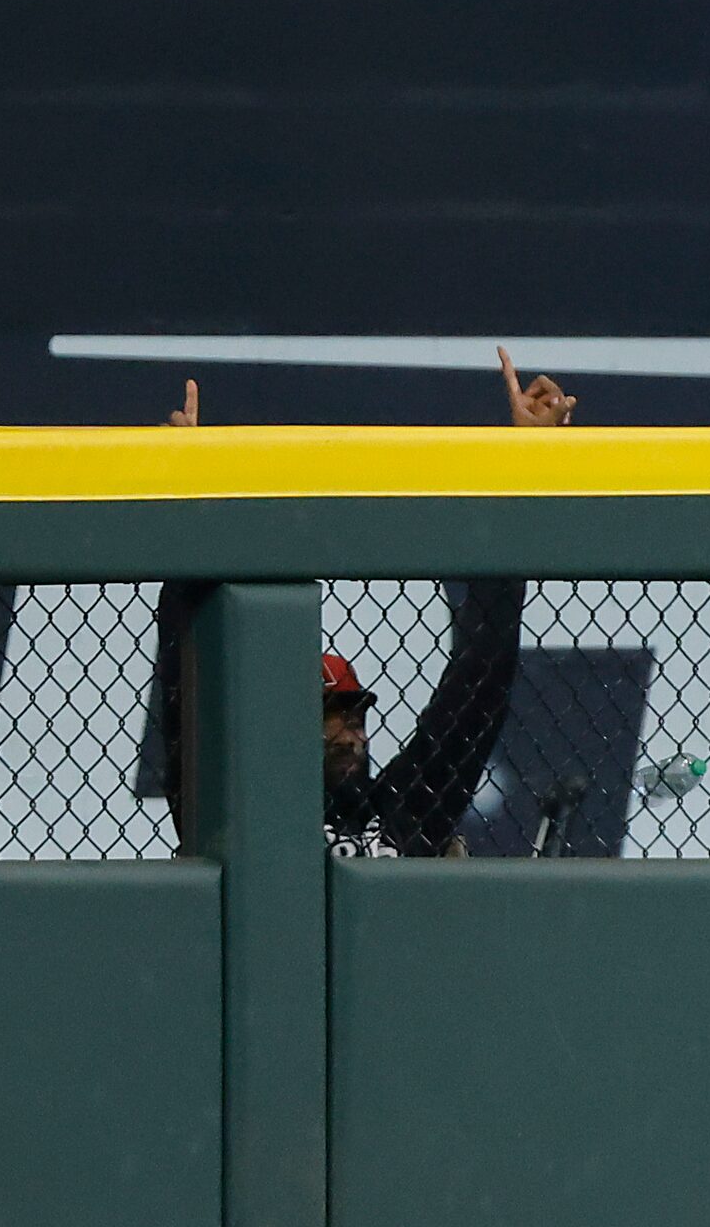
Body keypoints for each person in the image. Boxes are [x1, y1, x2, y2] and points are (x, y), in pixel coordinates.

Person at [154, 351, 574, 856]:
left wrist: (519, 467)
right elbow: (184, 678)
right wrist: (186, 494)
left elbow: (481, 677)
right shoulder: (230, 812)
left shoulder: (399, 810)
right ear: (283, 726)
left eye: (355, 719)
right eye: (330, 718)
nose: (352, 736)